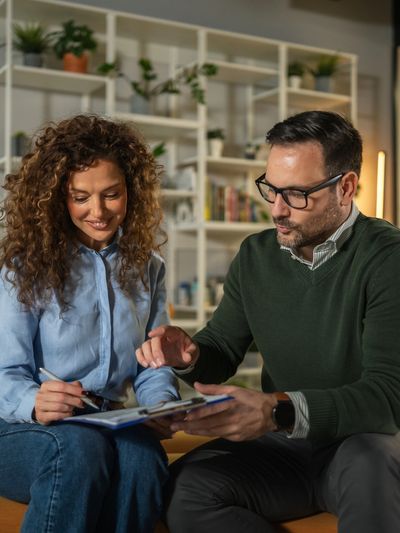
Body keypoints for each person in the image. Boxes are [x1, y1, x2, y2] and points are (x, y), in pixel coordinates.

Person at [136, 110, 400, 533]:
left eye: (296, 194)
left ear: (346, 187)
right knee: (182, 490)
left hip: (362, 444)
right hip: (285, 448)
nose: (277, 209)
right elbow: (220, 350)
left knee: (373, 467)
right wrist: (188, 354)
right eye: (271, 189)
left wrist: (278, 411)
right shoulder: (256, 255)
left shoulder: (387, 258)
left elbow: (388, 398)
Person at [0, 114, 179, 533]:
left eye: (111, 194)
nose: (96, 211)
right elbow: (4, 373)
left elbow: (152, 362)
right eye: (80, 197)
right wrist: (32, 401)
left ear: (130, 192)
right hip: (22, 430)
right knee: (79, 447)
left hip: (108, 422)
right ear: (57, 198)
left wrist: (161, 404)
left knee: (142, 456)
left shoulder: (148, 267)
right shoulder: (23, 270)